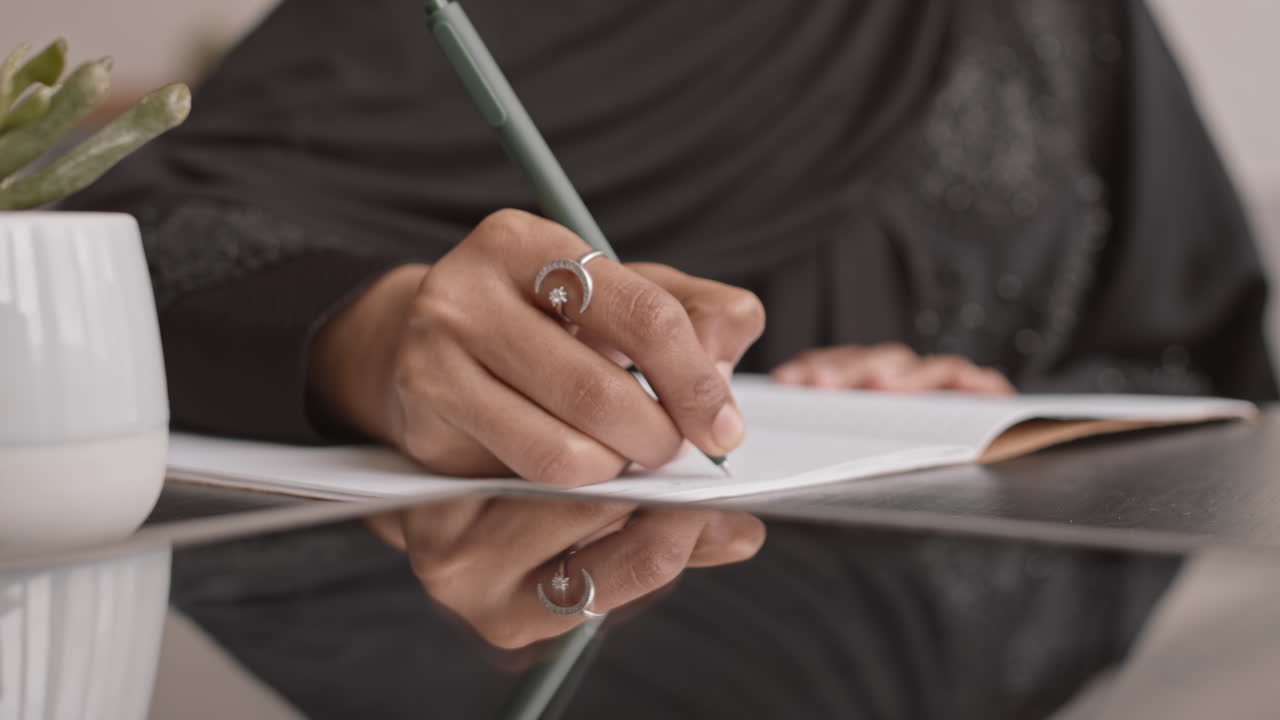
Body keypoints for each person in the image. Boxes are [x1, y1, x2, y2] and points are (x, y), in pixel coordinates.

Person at [67, 0, 1275, 717]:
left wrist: (1004, 400)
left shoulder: (1068, 20)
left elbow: (1194, 350)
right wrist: (373, 334)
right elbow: (136, 226)